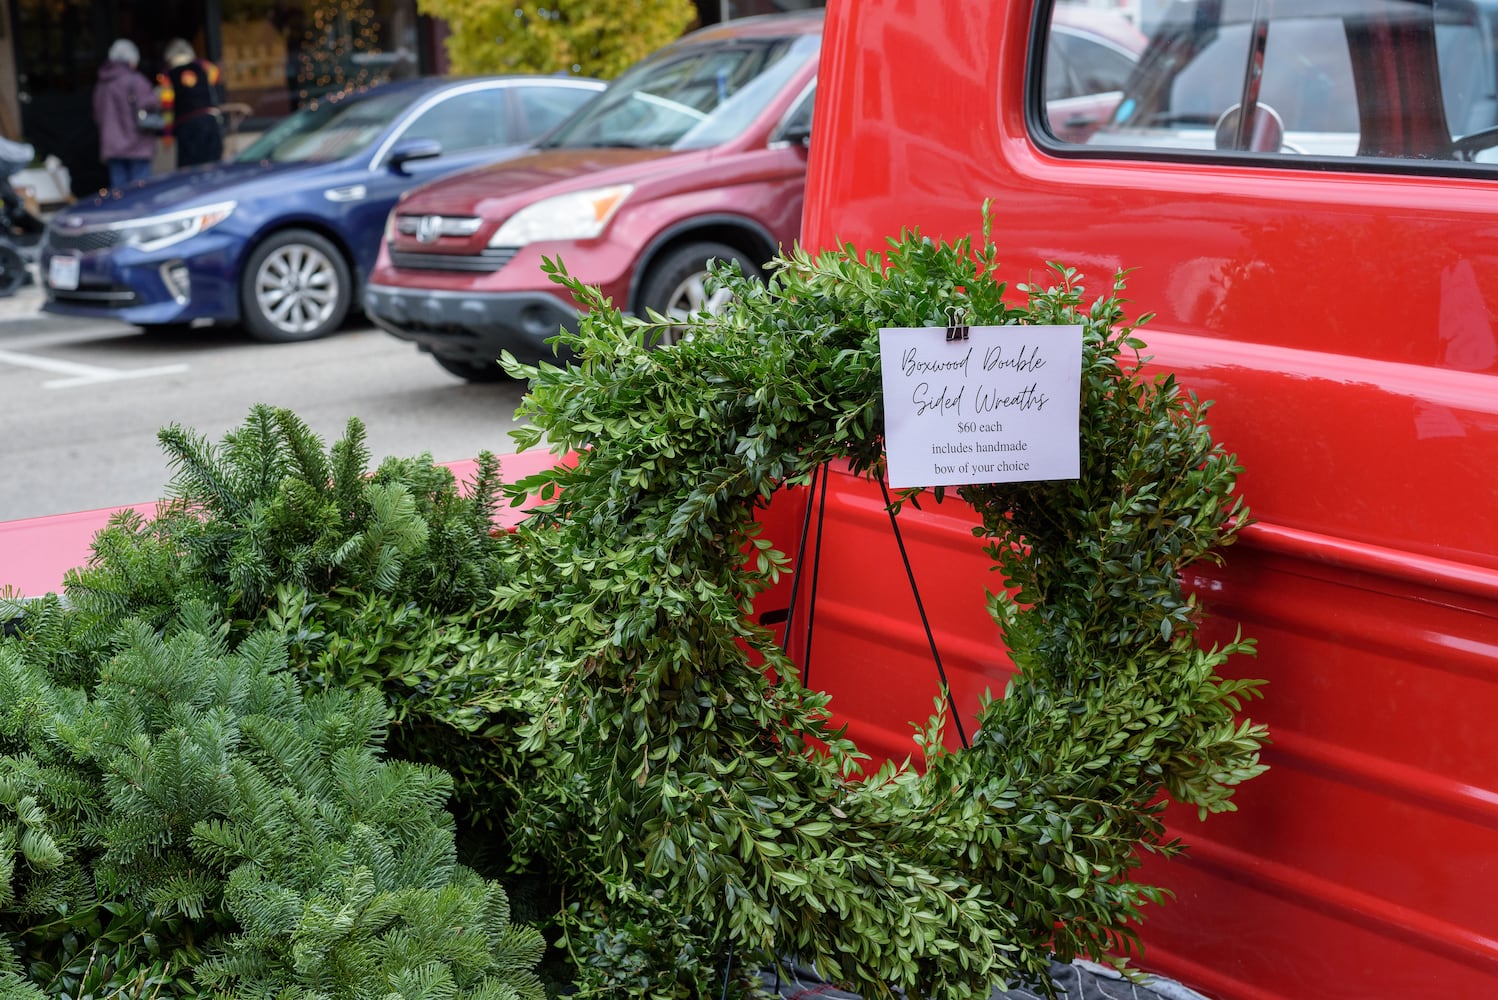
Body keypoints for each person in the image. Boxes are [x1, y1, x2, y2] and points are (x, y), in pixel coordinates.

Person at [93, 39, 159, 189]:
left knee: (120, 193)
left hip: (112, 145)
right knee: (140, 191)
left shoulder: (102, 84)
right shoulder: (136, 80)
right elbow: (150, 105)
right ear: (131, 60)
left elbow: (98, 115)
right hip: (138, 144)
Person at [158, 38, 224, 169]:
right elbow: (216, 75)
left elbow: (167, 108)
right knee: (213, 168)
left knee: (189, 172)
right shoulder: (203, 66)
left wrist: (167, 135)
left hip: (186, 128)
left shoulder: (167, 76)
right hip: (209, 122)